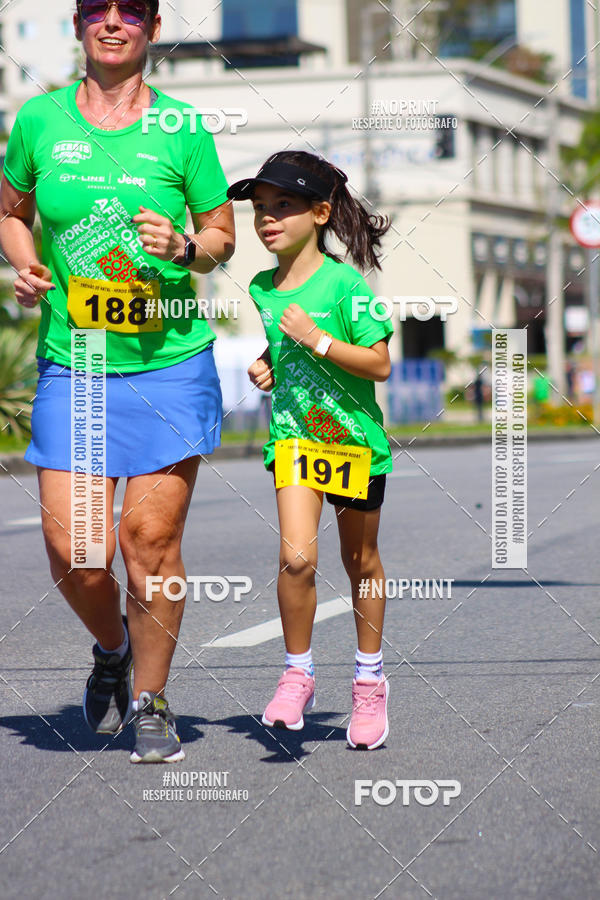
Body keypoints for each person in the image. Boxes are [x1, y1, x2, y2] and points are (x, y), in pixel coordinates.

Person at [0, 0, 235, 763]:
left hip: (169, 362)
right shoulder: (39, 121)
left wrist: (187, 242)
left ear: (152, 28)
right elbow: (11, 210)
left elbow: (221, 238)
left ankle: (152, 698)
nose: (112, 21)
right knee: (76, 552)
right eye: (96, 9)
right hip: (80, 362)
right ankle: (112, 648)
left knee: (148, 539)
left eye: (129, 10)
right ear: (76, 25)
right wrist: (23, 264)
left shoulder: (183, 129)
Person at [228, 151, 393, 750]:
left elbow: (379, 363)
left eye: (283, 206)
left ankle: (369, 682)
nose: (268, 219)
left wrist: (318, 339)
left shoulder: (346, 284)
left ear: (321, 213)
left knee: (360, 562)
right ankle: (298, 673)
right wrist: (269, 363)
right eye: (260, 209)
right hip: (295, 440)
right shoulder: (261, 286)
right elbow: (285, 346)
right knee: (297, 559)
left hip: (352, 445)